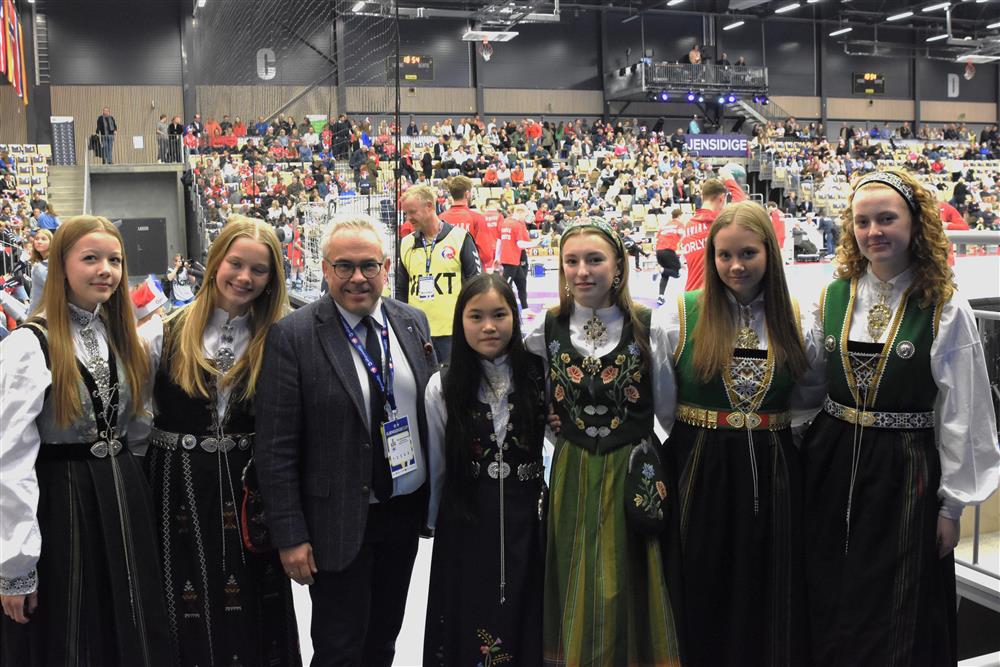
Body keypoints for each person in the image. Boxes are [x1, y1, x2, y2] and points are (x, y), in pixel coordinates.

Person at [802, 170, 1000, 666]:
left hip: (905, 468)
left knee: (897, 595)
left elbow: (964, 413)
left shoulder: (942, 307)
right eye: (863, 221)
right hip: (830, 459)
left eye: (887, 218)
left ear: (915, 223)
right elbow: (807, 387)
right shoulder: (832, 296)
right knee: (828, 583)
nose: (874, 232)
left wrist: (952, 508)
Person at [255, 215, 439, 667]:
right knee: (339, 648)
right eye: (344, 266)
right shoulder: (294, 336)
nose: (357, 277)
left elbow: (436, 408)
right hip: (334, 518)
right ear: (324, 268)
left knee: (383, 642)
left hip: (401, 512)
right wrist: (291, 534)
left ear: (387, 266)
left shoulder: (411, 322)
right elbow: (275, 447)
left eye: (368, 265)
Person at [0, 216, 173, 665]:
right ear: (60, 267)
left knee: (127, 618)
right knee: (71, 623)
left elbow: (136, 425)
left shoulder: (118, 335)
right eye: (91, 259)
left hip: (121, 494)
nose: (106, 270)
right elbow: (11, 458)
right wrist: (16, 565)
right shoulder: (28, 345)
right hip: (63, 501)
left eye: (114, 260)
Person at [665, 201, 819, 666]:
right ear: (710, 257)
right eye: (724, 255)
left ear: (769, 253)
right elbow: (660, 401)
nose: (735, 266)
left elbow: (811, 392)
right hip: (700, 465)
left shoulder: (796, 314)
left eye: (748, 253)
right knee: (702, 577)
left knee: (770, 580)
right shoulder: (681, 314)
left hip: (774, 466)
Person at [523, 219, 681, 666]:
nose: (582, 271)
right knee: (575, 568)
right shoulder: (547, 328)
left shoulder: (650, 327)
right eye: (571, 261)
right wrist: (548, 416)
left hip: (629, 468)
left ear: (618, 267)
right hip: (572, 468)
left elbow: (666, 411)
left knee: (624, 574)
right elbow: (518, 381)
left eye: (594, 260)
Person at [144, 217, 300, 667]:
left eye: (260, 270)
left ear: (273, 278)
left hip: (252, 489)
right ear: (215, 263)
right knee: (184, 595)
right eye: (236, 263)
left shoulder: (282, 337)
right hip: (177, 488)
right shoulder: (164, 330)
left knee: (255, 596)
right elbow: (134, 417)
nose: (245, 278)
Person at [422, 273, 546, 666]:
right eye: (476, 316)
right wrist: (432, 522)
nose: (489, 326)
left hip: (530, 517)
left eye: (499, 314)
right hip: (466, 517)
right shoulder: (442, 385)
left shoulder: (539, 374)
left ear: (515, 316)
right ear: (460, 321)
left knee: (528, 603)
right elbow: (439, 465)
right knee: (468, 604)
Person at [396, 184, 481, 364]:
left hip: (452, 332)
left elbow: (476, 285)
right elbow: (401, 290)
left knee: (452, 386)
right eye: (406, 214)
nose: (408, 218)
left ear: (429, 207)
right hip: (417, 332)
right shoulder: (405, 243)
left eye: (412, 212)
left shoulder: (460, 238)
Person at [678, 167, 747, 292]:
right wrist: (729, 179)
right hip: (711, 296)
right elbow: (742, 205)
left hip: (690, 294)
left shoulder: (689, 224)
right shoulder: (718, 221)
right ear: (721, 199)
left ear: (702, 196)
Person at [439, 175, 497, 268]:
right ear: (467, 194)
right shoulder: (477, 218)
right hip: (471, 275)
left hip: (446, 272)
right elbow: (486, 255)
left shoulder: (440, 218)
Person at [495, 204, 535, 313]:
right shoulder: (517, 225)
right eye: (525, 215)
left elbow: (499, 241)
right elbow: (520, 244)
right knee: (505, 286)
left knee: (522, 282)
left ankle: (525, 309)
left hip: (511, 258)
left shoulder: (505, 222)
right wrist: (535, 243)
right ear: (520, 213)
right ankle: (498, 308)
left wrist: (497, 256)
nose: (524, 218)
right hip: (511, 259)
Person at [655, 207, 683, 305]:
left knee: (665, 275)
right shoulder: (679, 224)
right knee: (677, 272)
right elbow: (683, 235)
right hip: (668, 250)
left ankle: (660, 297)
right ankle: (661, 270)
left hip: (659, 252)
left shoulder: (665, 225)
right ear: (679, 216)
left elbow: (657, 238)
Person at [27, 229, 51, 315]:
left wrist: (30, 316)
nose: (39, 241)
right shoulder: (39, 264)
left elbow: (37, 296)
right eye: (36, 239)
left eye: (43, 239)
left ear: (51, 242)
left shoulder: (39, 267)